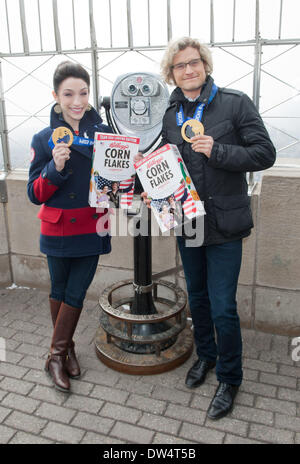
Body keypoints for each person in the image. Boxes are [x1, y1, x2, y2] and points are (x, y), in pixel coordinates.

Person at [143, 37, 276, 420]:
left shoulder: (234, 103)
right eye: (181, 65)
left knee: (222, 307)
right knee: (197, 299)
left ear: (205, 64)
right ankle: (206, 357)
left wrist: (217, 150)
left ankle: (230, 379)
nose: (189, 69)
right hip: (189, 223)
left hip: (225, 224)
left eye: (195, 62)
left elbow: (264, 153)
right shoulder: (170, 114)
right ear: (171, 73)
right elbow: (166, 164)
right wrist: (147, 174)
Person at [27, 61, 113, 393]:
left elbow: (116, 179)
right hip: (58, 228)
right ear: (56, 96)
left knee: (75, 293)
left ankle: (56, 356)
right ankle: (63, 353)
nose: (77, 101)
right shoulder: (43, 137)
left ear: (89, 94)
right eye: (68, 94)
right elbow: (34, 193)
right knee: (59, 292)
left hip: (93, 226)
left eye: (83, 93)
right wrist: (55, 166)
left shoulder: (104, 134)